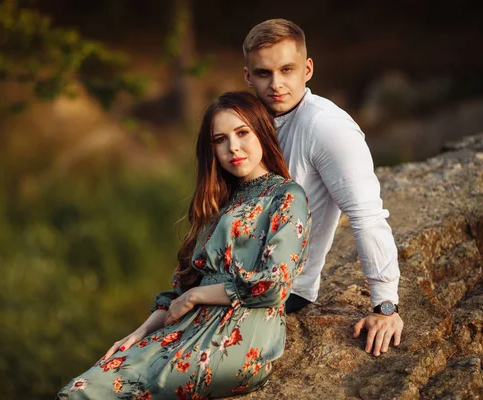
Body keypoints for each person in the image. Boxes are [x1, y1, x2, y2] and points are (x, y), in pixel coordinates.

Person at [56, 91, 310, 399]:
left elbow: (274, 285)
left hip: (238, 338)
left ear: (262, 132)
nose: (233, 147)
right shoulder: (217, 203)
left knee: (136, 387)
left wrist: (197, 295)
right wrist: (139, 333)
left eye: (242, 132)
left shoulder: (286, 196)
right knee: (78, 391)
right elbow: (180, 291)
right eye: (220, 140)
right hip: (185, 329)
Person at [241, 19, 404, 358]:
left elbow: (367, 215)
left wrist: (385, 307)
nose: (276, 84)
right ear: (248, 76)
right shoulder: (249, 120)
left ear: (308, 68)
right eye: (263, 74)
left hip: (281, 289)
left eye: (287, 69)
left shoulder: (327, 127)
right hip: (233, 271)